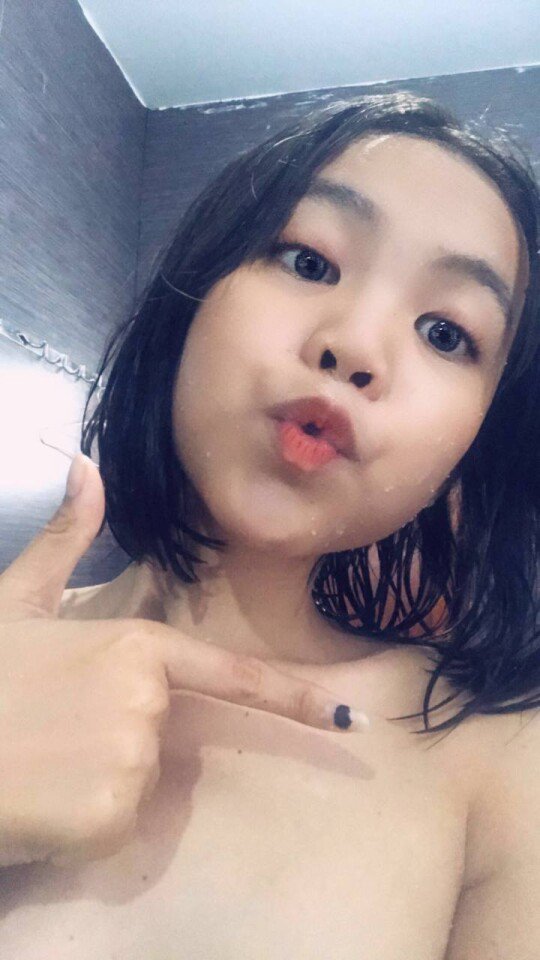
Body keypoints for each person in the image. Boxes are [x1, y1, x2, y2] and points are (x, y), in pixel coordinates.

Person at [0, 90, 539, 958]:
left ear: (475, 441)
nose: (354, 346)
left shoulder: (500, 762)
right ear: (195, 291)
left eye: (446, 333)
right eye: (310, 261)